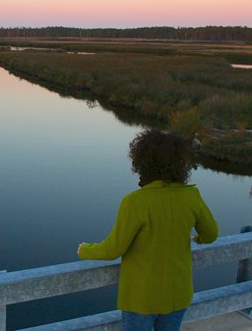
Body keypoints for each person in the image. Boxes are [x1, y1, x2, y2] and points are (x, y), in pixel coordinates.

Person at [77, 129, 219, 331]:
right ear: (180, 163)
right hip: (177, 293)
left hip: (141, 298)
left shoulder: (134, 202)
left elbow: (113, 249)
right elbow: (211, 234)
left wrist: (85, 250)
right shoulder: (191, 196)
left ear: (142, 161)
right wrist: (197, 239)